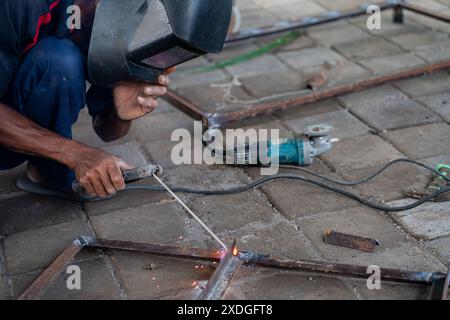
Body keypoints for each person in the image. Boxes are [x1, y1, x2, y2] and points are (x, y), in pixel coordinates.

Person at [0, 0, 174, 198]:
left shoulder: (113, 31)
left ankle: (46, 170)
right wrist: (75, 153)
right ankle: (52, 162)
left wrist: (121, 115)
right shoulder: (21, 6)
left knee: (63, 60)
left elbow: (106, 131)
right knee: (60, 61)